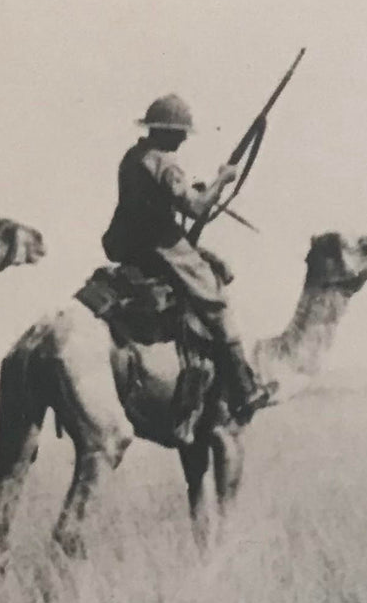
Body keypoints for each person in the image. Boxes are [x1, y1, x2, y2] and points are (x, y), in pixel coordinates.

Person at [103, 93, 272, 421]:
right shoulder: (165, 163)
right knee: (216, 299)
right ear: (165, 131)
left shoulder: (133, 156)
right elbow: (194, 208)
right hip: (160, 246)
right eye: (179, 132)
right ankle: (244, 387)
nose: (183, 138)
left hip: (128, 244)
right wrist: (222, 179)